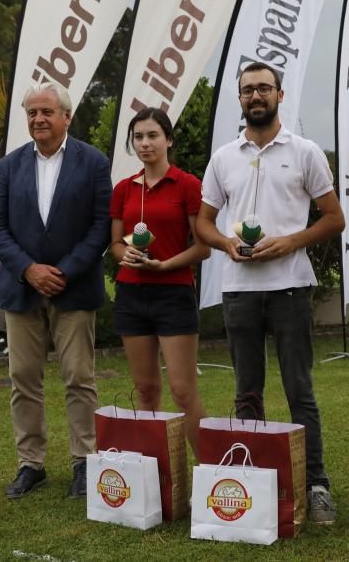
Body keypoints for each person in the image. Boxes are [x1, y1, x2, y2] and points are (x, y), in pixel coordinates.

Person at [195, 61, 346, 524]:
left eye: (264, 88)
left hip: (290, 289)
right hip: (239, 290)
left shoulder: (304, 153)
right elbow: (202, 223)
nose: (255, 96)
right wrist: (225, 244)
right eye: (247, 90)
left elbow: (333, 218)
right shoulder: (223, 157)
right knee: (246, 393)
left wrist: (289, 241)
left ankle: (316, 484)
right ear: (239, 100)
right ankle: (250, 481)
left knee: (300, 391)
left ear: (280, 95)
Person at [0, 81, 112, 500]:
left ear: (67, 117)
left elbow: (100, 227)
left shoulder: (93, 162)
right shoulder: (8, 166)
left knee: (79, 377)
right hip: (21, 290)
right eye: (32, 113)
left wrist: (64, 270)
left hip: (73, 290)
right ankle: (30, 464)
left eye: (46, 112)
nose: (38, 119)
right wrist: (27, 269)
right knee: (23, 378)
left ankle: (84, 461)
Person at [109, 107, 210, 453]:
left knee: (183, 390)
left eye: (153, 136)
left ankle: (211, 472)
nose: (145, 143)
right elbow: (116, 244)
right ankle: (157, 476)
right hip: (131, 294)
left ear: (168, 139)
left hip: (174, 294)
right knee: (147, 390)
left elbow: (203, 247)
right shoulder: (123, 189)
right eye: (138, 137)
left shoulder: (187, 185)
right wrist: (129, 256)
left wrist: (165, 266)